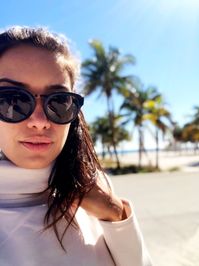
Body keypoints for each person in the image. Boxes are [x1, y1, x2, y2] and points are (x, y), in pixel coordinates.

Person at [0, 26, 153, 266]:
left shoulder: (95, 185)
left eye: (59, 102)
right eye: (12, 100)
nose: (40, 122)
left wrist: (115, 214)